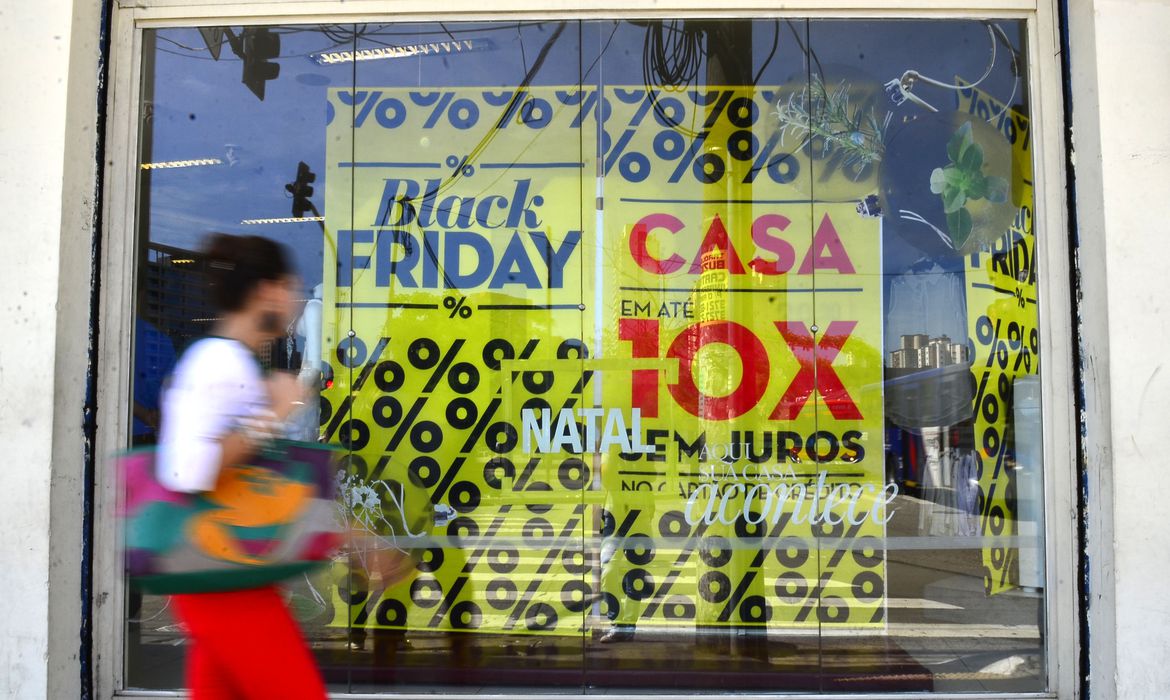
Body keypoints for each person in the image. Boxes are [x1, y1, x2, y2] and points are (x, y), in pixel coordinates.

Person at [157, 233, 327, 699]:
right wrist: (273, 414)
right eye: (291, 287)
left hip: (227, 572)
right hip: (227, 583)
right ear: (265, 291)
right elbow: (189, 470)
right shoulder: (219, 362)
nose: (295, 299)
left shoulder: (234, 362)